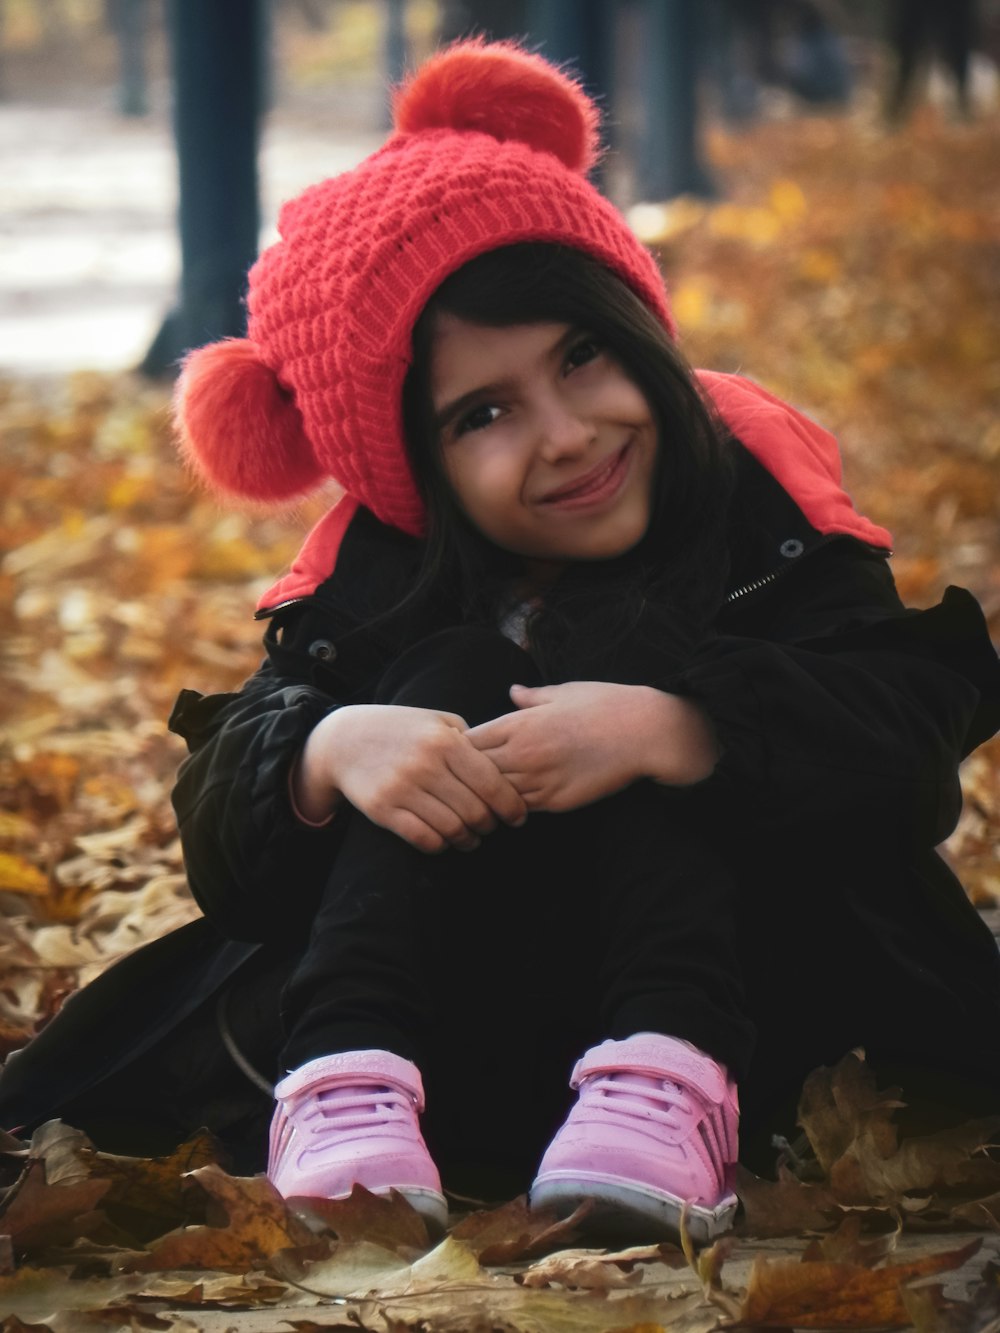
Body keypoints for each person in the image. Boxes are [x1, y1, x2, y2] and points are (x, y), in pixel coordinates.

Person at [2, 38, 1000, 1244]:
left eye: (580, 357)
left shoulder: (756, 511)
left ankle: (663, 1085)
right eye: (484, 414)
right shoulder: (379, 575)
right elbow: (226, 823)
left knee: (631, 671)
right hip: (466, 1019)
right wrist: (324, 752)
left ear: (635, 324)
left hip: (758, 1010)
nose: (568, 433)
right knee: (452, 682)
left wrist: (683, 727)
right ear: (412, 470)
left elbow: (900, 739)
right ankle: (341, 1080)